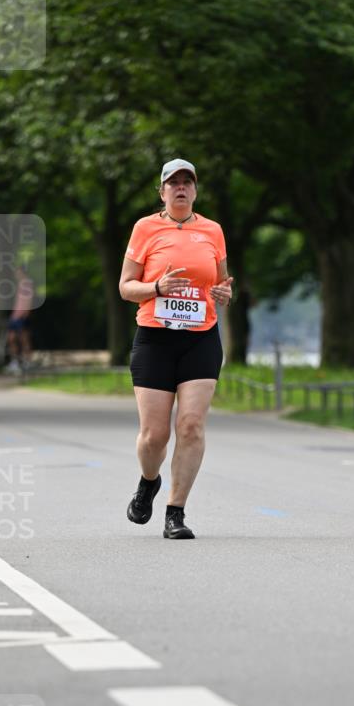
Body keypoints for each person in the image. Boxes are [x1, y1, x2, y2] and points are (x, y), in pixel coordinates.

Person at [119, 158, 233, 540]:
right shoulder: (146, 228)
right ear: (162, 191)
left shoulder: (213, 231)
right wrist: (155, 289)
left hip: (201, 337)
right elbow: (125, 287)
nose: (181, 188)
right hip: (155, 338)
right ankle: (148, 481)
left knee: (191, 425)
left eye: (188, 182)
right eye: (174, 183)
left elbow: (220, 284)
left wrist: (224, 293)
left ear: (196, 190)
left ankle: (175, 511)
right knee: (154, 437)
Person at [4, 265, 34, 374]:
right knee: (11, 339)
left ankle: (27, 362)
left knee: (24, 339)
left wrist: (25, 313)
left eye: (18, 272)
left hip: (21, 316)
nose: (16, 274)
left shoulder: (27, 284)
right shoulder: (20, 285)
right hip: (15, 316)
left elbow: (28, 300)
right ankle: (15, 362)